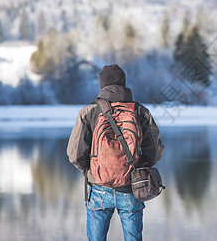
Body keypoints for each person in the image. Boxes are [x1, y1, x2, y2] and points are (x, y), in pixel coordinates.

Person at [67, 64, 164, 241]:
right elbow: (156, 149)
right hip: (131, 186)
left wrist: (90, 172)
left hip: (98, 186)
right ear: (124, 83)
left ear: (102, 84)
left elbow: (74, 154)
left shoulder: (88, 112)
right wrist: (139, 168)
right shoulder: (140, 111)